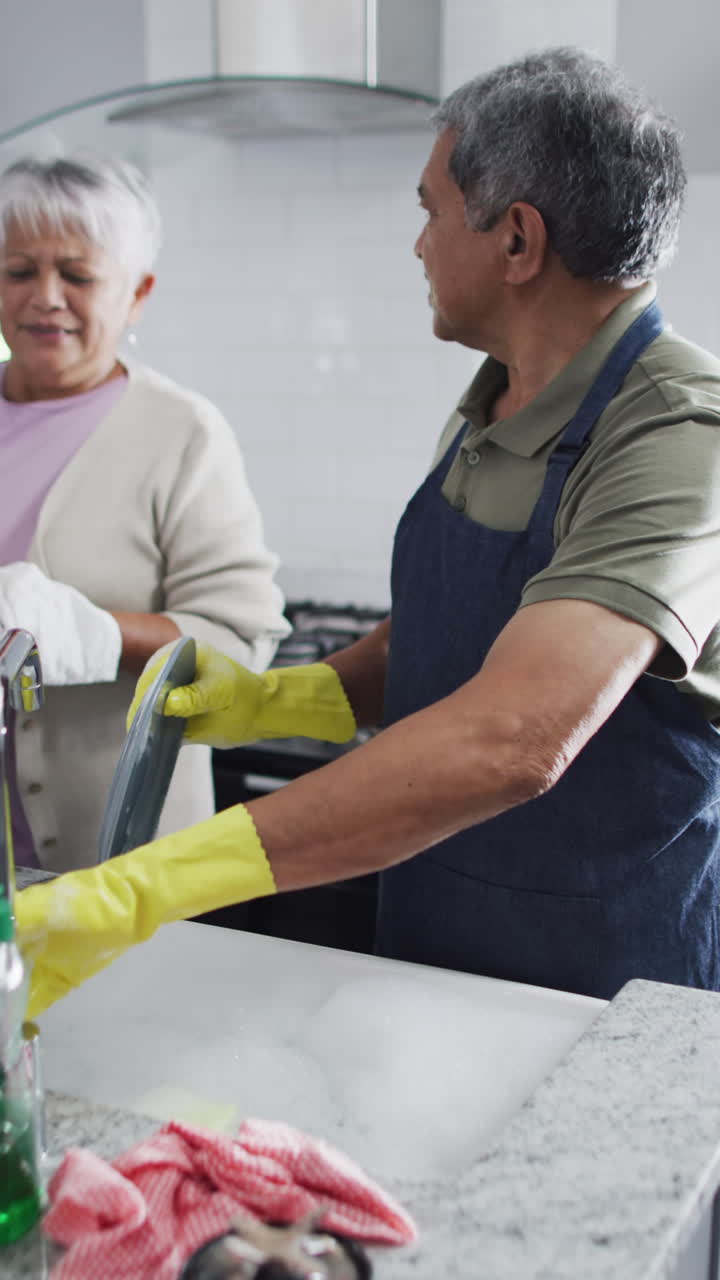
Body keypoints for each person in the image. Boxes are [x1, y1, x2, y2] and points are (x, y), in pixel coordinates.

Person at [18, 47, 720, 1017]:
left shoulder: (681, 432)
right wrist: (288, 698)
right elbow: (443, 635)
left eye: (430, 210)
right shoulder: (499, 400)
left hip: (609, 990)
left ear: (516, 241)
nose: (420, 244)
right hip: (433, 952)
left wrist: (149, 885)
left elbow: (513, 733)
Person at [0, 151, 289, 871]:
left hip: (125, 861)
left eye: (77, 274)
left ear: (137, 293)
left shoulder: (182, 434)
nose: (46, 297)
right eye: (18, 271)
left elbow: (242, 642)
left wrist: (95, 635)